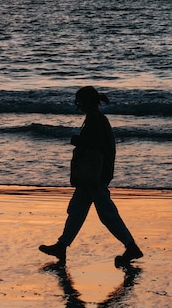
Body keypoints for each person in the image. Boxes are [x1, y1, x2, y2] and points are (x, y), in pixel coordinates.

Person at [39, 86, 143, 266]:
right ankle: (61, 246)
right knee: (77, 211)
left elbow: (97, 144)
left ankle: (131, 246)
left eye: (80, 101)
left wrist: (78, 141)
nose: (79, 105)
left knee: (106, 214)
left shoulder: (95, 119)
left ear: (88, 101)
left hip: (95, 175)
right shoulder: (96, 118)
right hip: (92, 175)